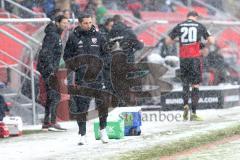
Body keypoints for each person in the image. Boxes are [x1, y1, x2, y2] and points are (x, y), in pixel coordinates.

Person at [64, 13, 109, 145]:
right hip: (82, 78)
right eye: (85, 23)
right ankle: (82, 134)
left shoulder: (99, 37)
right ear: (79, 23)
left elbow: (107, 55)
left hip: (97, 77)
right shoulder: (73, 37)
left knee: (102, 105)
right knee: (82, 107)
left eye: (90, 22)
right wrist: (77, 66)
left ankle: (103, 131)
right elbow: (67, 57)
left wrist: (100, 64)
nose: (88, 25)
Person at [165, 11, 215, 121]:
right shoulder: (199, 25)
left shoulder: (180, 25)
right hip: (194, 59)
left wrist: (179, 40)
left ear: (187, 17)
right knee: (195, 85)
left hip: (183, 59)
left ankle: (185, 106)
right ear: (196, 17)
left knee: (185, 84)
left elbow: (168, 41)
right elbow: (211, 40)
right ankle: (193, 113)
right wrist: (203, 46)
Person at [37, 15, 69, 131]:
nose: (66, 25)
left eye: (67, 23)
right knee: (55, 96)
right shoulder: (53, 35)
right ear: (57, 22)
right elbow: (45, 53)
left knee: (51, 96)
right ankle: (53, 122)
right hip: (48, 70)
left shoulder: (55, 34)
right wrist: (50, 70)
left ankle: (47, 122)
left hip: (49, 69)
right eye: (64, 23)